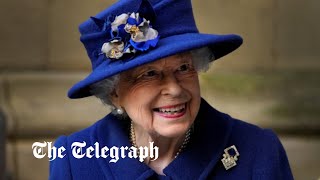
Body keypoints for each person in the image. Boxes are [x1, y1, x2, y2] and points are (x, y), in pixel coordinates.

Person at [49, 0, 293, 179]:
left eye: (184, 68)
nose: (174, 89)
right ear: (114, 92)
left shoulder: (259, 151)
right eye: (149, 74)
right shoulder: (73, 160)